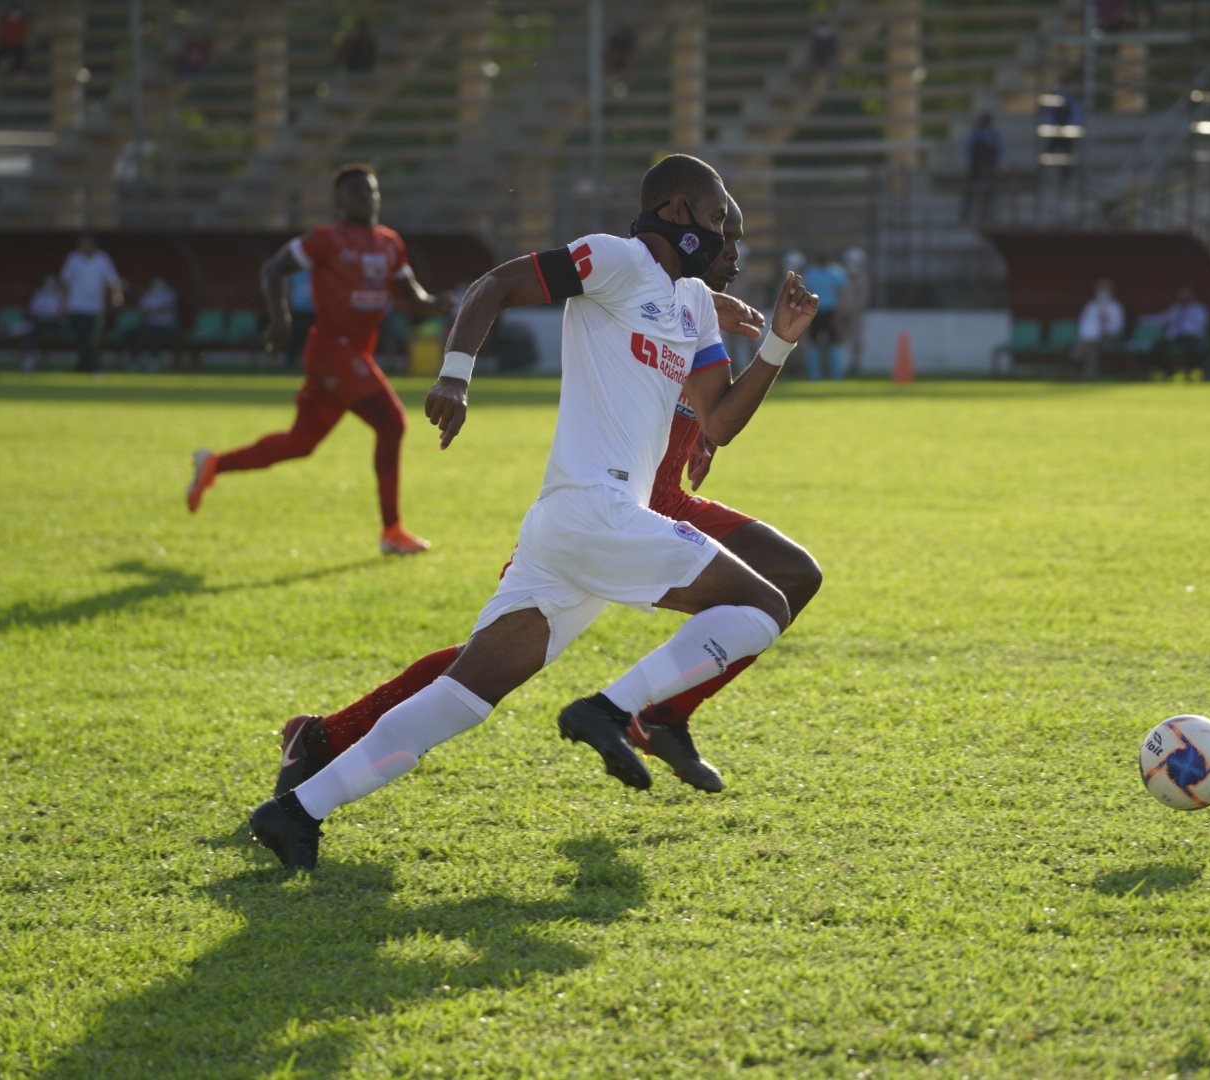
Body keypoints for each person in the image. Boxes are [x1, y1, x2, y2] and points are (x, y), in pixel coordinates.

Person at [247, 154, 818, 870]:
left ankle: (297, 810)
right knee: (762, 605)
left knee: (462, 696)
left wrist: (778, 343)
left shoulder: (695, 304)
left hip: (580, 526)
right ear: (675, 211)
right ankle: (614, 711)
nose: (723, 235)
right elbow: (496, 284)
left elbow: (722, 421)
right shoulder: (615, 258)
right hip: (588, 509)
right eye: (715, 220)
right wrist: (455, 377)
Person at [185, 164, 447, 555]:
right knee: (392, 424)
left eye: (372, 191)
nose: (367, 198)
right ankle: (392, 531)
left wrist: (441, 304)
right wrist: (280, 318)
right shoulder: (327, 240)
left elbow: (411, 299)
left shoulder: (390, 244)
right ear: (339, 200)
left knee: (300, 443)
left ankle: (212, 465)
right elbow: (274, 268)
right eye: (357, 192)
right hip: (332, 351)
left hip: (352, 355)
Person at [58, 234, 124, 374]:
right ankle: (89, 366)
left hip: (95, 307)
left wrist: (117, 294)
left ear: (93, 245)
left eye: (86, 243)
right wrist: (63, 304)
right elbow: (66, 282)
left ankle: (84, 366)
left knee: (91, 337)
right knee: (84, 336)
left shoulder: (103, 259)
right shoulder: (73, 259)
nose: (83, 246)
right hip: (76, 305)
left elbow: (113, 279)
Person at [801, 252, 848, 380]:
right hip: (815, 311)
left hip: (831, 311)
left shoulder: (835, 272)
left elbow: (842, 293)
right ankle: (815, 375)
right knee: (814, 342)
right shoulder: (813, 272)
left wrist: (840, 311)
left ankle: (835, 375)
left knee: (833, 342)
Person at [1150, 286, 1208, 380]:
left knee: (1191, 349)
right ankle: (1169, 372)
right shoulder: (1175, 308)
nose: (1183, 297)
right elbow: (1164, 319)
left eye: (1186, 295)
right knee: (1157, 347)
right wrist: (1145, 319)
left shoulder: (1198, 309)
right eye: (1181, 295)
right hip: (1175, 336)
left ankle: (1189, 373)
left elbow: (1201, 325)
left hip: (1191, 336)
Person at [1073, 279, 1125, 382]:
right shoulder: (1091, 306)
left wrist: (1105, 328)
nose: (1102, 292)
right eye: (1100, 289)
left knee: (1089, 345)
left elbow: (1118, 326)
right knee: (1092, 347)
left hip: (1109, 337)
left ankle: (1076, 355)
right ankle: (1089, 375)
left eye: (1105, 289)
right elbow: (1084, 323)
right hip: (1091, 338)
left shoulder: (1115, 306)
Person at [123, 276, 178, 370]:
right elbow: (142, 311)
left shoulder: (169, 294)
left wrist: (151, 310)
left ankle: (154, 359)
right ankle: (135, 358)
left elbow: (164, 308)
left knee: (155, 335)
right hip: (148, 325)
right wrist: (153, 310)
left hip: (164, 326)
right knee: (130, 334)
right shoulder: (147, 295)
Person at [960, 112, 1004, 224]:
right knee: (970, 192)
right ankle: (966, 215)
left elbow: (1000, 151)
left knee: (989, 192)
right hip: (976, 167)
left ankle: (987, 216)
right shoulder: (974, 135)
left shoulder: (994, 136)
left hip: (989, 167)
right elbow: (967, 150)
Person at [16, 274, 65, 371]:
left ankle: (14, 330)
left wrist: (49, 314)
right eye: (47, 281)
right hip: (39, 323)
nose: (50, 284)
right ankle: (28, 360)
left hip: (53, 324)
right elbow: (33, 309)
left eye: (52, 281)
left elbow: (59, 313)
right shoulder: (40, 293)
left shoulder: (61, 294)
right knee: (30, 331)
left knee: (30, 327)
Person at [838, 247, 871, 377]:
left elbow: (864, 297)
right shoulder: (840, 276)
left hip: (857, 314)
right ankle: (840, 367)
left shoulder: (863, 278)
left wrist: (853, 309)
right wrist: (841, 310)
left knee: (856, 340)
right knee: (840, 339)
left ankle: (855, 365)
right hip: (841, 313)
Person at [0, 5, 29, 78]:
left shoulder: (23, 23)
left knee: (21, 54)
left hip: (16, 45)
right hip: (5, 44)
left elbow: (24, 35)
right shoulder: (3, 21)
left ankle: (17, 73)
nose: (15, 15)